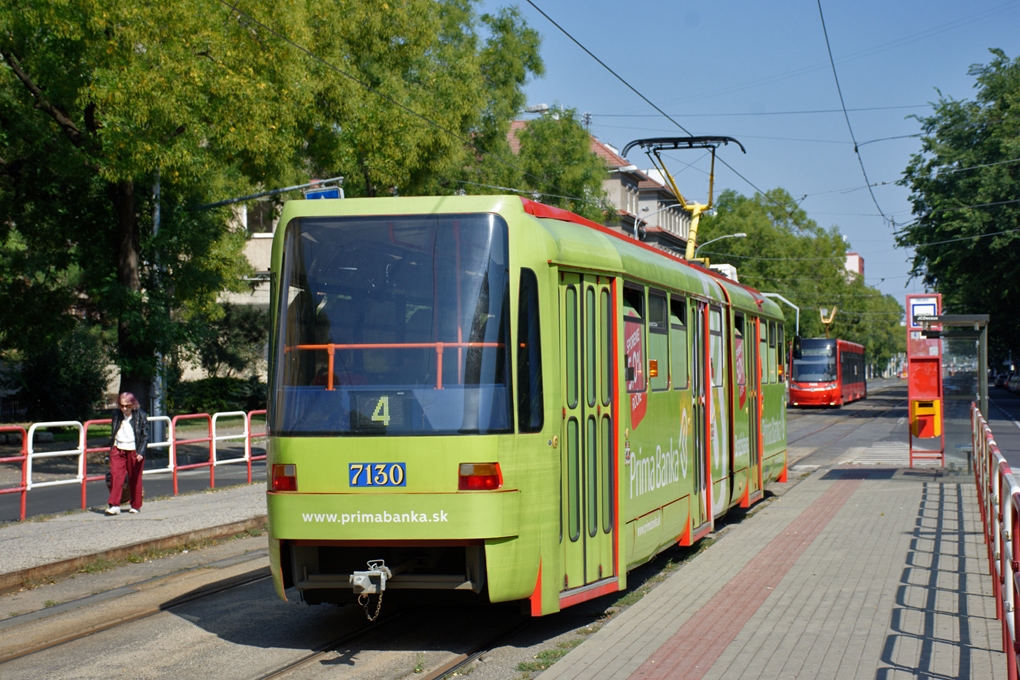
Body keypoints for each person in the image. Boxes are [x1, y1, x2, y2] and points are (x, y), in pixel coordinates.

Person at [106, 392, 148, 515]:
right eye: (122, 406)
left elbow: (145, 436)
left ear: (133, 405)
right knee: (116, 475)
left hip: (134, 450)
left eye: (128, 406)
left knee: (135, 478)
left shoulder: (141, 415)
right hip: (118, 448)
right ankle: (114, 505)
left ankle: (135, 505)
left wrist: (141, 452)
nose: (125, 409)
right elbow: (114, 430)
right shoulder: (116, 414)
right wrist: (112, 447)